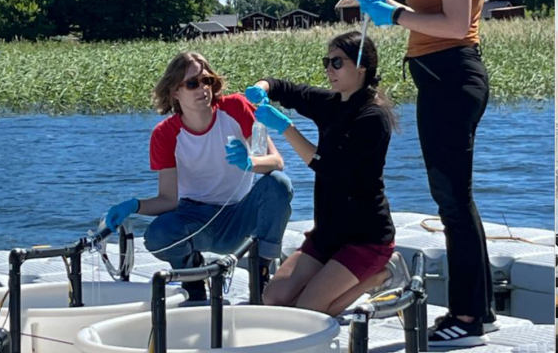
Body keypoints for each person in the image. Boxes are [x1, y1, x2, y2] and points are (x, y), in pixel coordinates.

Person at [358, 0, 494, 348]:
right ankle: (480, 311)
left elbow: (456, 25)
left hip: (450, 80)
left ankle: (467, 319)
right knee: (457, 199)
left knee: (453, 202)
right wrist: (395, 6)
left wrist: (393, 14)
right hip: (450, 79)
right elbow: (439, 14)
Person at [100, 51, 292, 300]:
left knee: (278, 184)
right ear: (174, 92)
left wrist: (250, 163)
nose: (203, 88)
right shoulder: (165, 135)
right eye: (192, 83)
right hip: (195, 218)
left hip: (240, 214)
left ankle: (261, 273)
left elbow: (275, 162)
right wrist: (134, 205)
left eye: (207, 80)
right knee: (158, 235)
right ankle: (193, 278)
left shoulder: (236, 108)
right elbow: (169, 200)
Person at [249, 31, 403, 315]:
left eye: (336, 62)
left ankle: (382, 274)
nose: (328, 69)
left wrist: (286, 128)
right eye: (326, 61)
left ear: (361, 66)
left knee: (311, 311)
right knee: (273, 298)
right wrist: (262, 87)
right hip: (328, 234)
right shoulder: (331, 103)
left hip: (366, 238)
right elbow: (284, 88)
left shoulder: (373, 117)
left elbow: (330, 166)